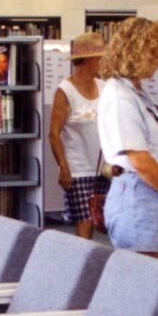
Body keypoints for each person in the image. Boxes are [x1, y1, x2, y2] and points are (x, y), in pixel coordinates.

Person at [97, 18, 158, 260]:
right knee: (143, 279)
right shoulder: (120, 98)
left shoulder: (135, 91)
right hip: (139, 192)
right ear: (135, 54)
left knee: (157, 273)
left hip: (151, 190)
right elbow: (139, 160)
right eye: (154, 55)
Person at [48, 32, 110, 240]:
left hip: (104, 169)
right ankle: (81, 268)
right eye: (100, 57)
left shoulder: (104, 87)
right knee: (86, 222)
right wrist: (63, 167)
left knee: (107, 220)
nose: (104, 62)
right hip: (78, 170)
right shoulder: (65, 91)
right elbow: (54, 133)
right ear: (89, 60)